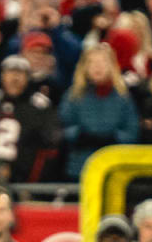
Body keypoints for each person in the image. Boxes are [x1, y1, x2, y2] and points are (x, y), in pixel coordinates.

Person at [59, 45, 140, 179]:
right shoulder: (73, 95)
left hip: (114, 168)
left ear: (112, 66)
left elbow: (132, 131)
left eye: (102, 62)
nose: (97, 66)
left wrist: (112, 139)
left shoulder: (123, 97)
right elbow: (62, 128)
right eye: (92, 62)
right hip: (80, 168)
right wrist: (80, 135)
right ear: (84, 67)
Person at [0, 56, 61, 184]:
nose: (14, 79)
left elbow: (49, 147)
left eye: (20, 74)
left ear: (28, 77)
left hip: (26, 181)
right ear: (2, 76)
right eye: (10, 73)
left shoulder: (40, 107)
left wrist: (29, 179)